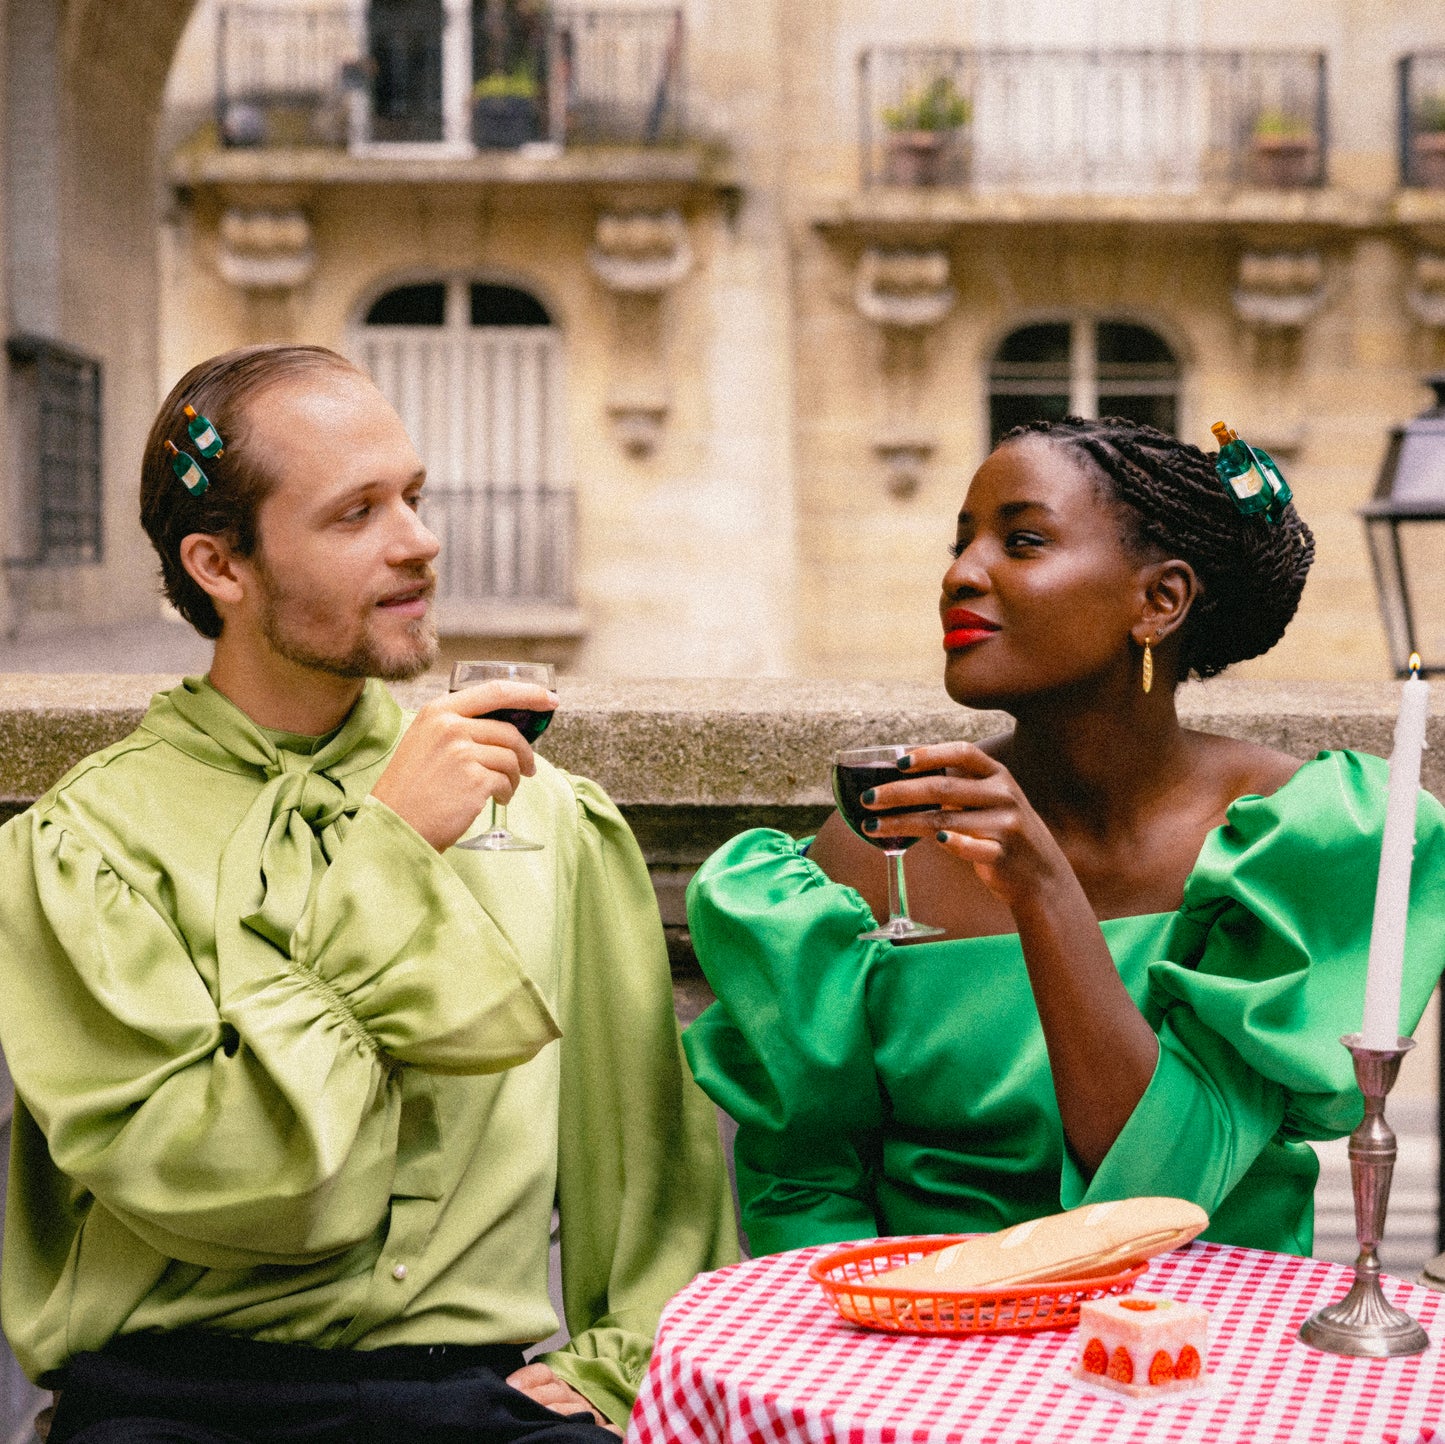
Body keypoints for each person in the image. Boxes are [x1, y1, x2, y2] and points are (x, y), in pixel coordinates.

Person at [0, 345, 736, 1444]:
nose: (419, 541)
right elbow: (234, 1179)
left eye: (414, 496)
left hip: (482, 1400)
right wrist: (388, 856)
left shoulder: (545, 815)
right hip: (169, 1402)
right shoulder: (88, 846)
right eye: (356, 514)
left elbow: (646, 1167)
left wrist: (620, 1360)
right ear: (221, 565)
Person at [683, 416, 1445, 1260]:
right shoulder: (874, 845)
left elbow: (1168, 1190)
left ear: (1159, 601)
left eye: (1022, 540)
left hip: (1201, 1339)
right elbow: (804, 1183)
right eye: (960, 542)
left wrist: (1044, 894)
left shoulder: (1292, 841)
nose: (960, 574)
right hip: (909, 1346)